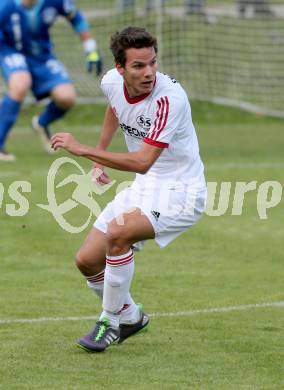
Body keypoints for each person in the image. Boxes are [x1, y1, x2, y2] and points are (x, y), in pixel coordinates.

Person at [51, 26, 207, 353]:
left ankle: (109, 322)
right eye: (138, 66)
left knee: (118, 234)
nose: (149, 72)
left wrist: (84, 151)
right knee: (86, 261)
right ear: (120, 69)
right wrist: (100, 158)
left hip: (181, 192)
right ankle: (131, 316)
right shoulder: (111, 81)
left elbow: (142, 162)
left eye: (152, 63)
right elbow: (115, 107)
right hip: (145, 188)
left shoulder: (169, 99)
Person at [0, 0, 102, 162]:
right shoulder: (6, 5)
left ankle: (41, 122)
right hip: (11, 51)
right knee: (20, 84)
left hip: (42, 57)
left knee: (66, 97)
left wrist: (91, 50)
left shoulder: (55, 2)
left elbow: (77, 19)